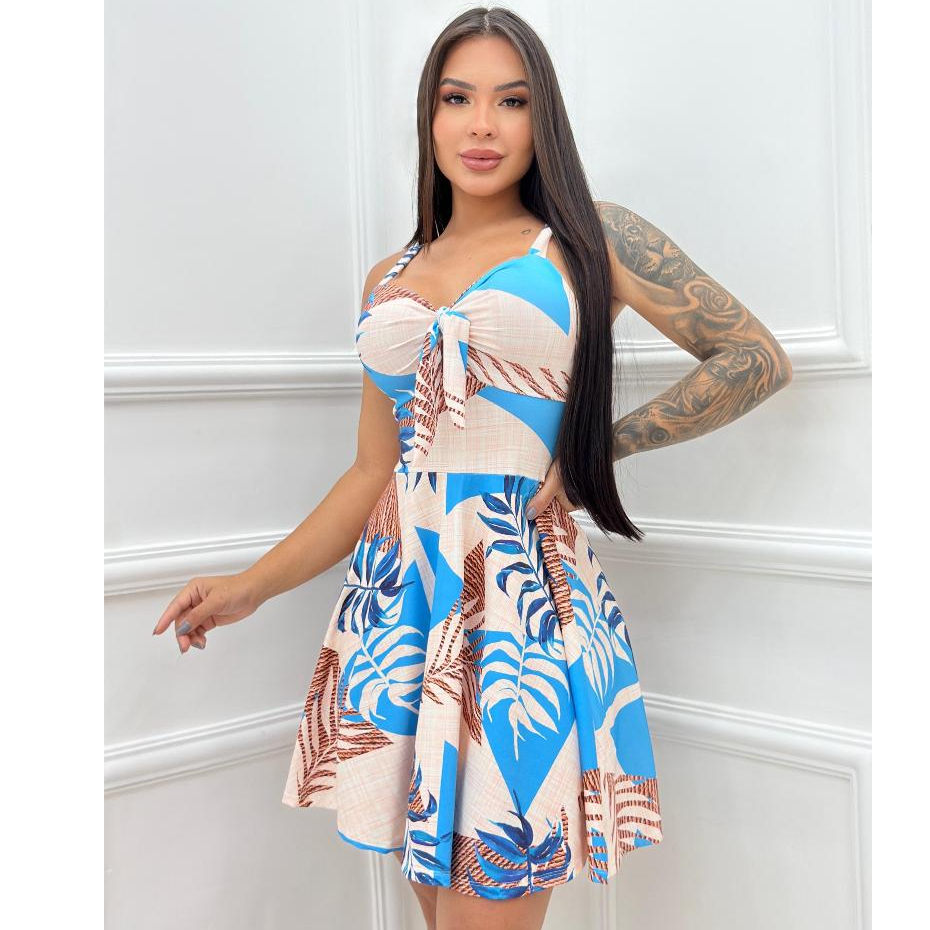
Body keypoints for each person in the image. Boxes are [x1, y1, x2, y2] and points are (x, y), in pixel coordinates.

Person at [153, 7, 792, 929]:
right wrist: (250, 587)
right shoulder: (390, 275)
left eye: (512, 101)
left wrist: (595, 450)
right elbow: (371, 473)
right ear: (430, 116)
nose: (482, 125)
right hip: (399, 609)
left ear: (543, 119)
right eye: (458, 99)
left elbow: (754, 358)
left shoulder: (591, 240)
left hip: (518, 612)